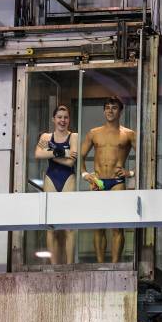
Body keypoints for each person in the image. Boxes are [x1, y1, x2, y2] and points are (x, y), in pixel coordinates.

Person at [80, 96, 136, 263]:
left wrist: (131, 173)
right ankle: (100, 265)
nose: (110, 111)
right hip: (98, 182)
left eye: (114, 107)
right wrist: (85, 174)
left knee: (117, 227)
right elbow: (80, 156)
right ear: (104, 110)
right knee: (98, 227)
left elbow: (145, 156)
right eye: (107, 107)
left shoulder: (129, 134)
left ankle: (115, 265)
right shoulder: (94, 133)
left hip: (116, 182)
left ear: (120, 111)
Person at [34, 105, 78, 265]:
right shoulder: (46, 136)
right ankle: (53, 266)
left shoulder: (74, 136)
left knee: (69, 226)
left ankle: (70, 265)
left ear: (69, 120)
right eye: (59, 117)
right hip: (51, 178)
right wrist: (62, 153)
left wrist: (52, 154)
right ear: (54, 119)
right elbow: (37, 154)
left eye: (65, 117)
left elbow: (71, 162)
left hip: (68, 178)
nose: (62, 120)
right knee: (51, 225)